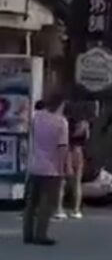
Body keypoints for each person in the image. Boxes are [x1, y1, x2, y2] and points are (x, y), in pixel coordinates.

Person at [23, 92, 69, 246]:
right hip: (51, 168)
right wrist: (62, 169)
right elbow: (62, 148)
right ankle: (41, 234)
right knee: (46, 203)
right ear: (60, 104)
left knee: (31, 203)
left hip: (34, 165)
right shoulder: (61, 123)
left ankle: (27, 233)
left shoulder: (37, 117)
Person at [56, 104, 90, 220]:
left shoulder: (65, 122)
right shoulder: (84, 124)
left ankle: (59, 209)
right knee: (77, 183)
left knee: (62, 182)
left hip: (67, 150)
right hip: (79, 152)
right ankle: (76, 210)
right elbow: (87, 138)